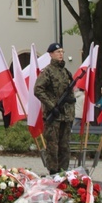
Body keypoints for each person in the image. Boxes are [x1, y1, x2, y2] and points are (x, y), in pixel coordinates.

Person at [34, 42, 74, 175]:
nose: (61, 54)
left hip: (66, 115)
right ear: (51, 54)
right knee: (52, 146)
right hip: (54, 116)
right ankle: (53, 172)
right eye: (58, 52)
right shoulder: (48, 71)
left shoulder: (66, 72)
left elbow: (70, 92)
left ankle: (63, 172)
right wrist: (51, 107)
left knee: (65, 146)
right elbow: (38, 90)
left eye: (62, 52)